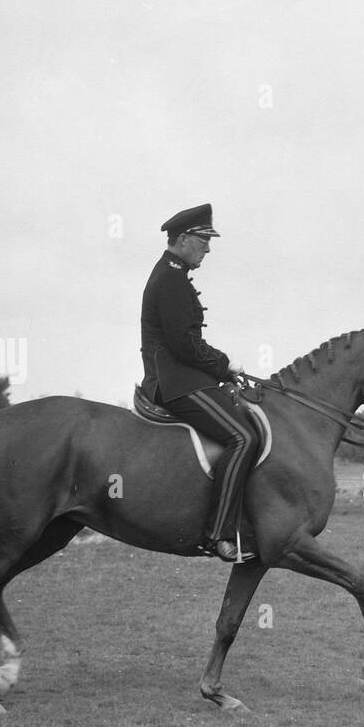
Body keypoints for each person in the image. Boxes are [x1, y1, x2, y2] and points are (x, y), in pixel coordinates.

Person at [140, 203, 256, 563]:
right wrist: (224, 365)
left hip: (185, 376)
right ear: (185, 239)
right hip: (176, 383)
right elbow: (183, 345)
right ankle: (219, 534)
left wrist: (222, 372)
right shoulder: (170, 279)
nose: (208, 248)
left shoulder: (172, 274)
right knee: (243, 437)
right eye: (204, 241)